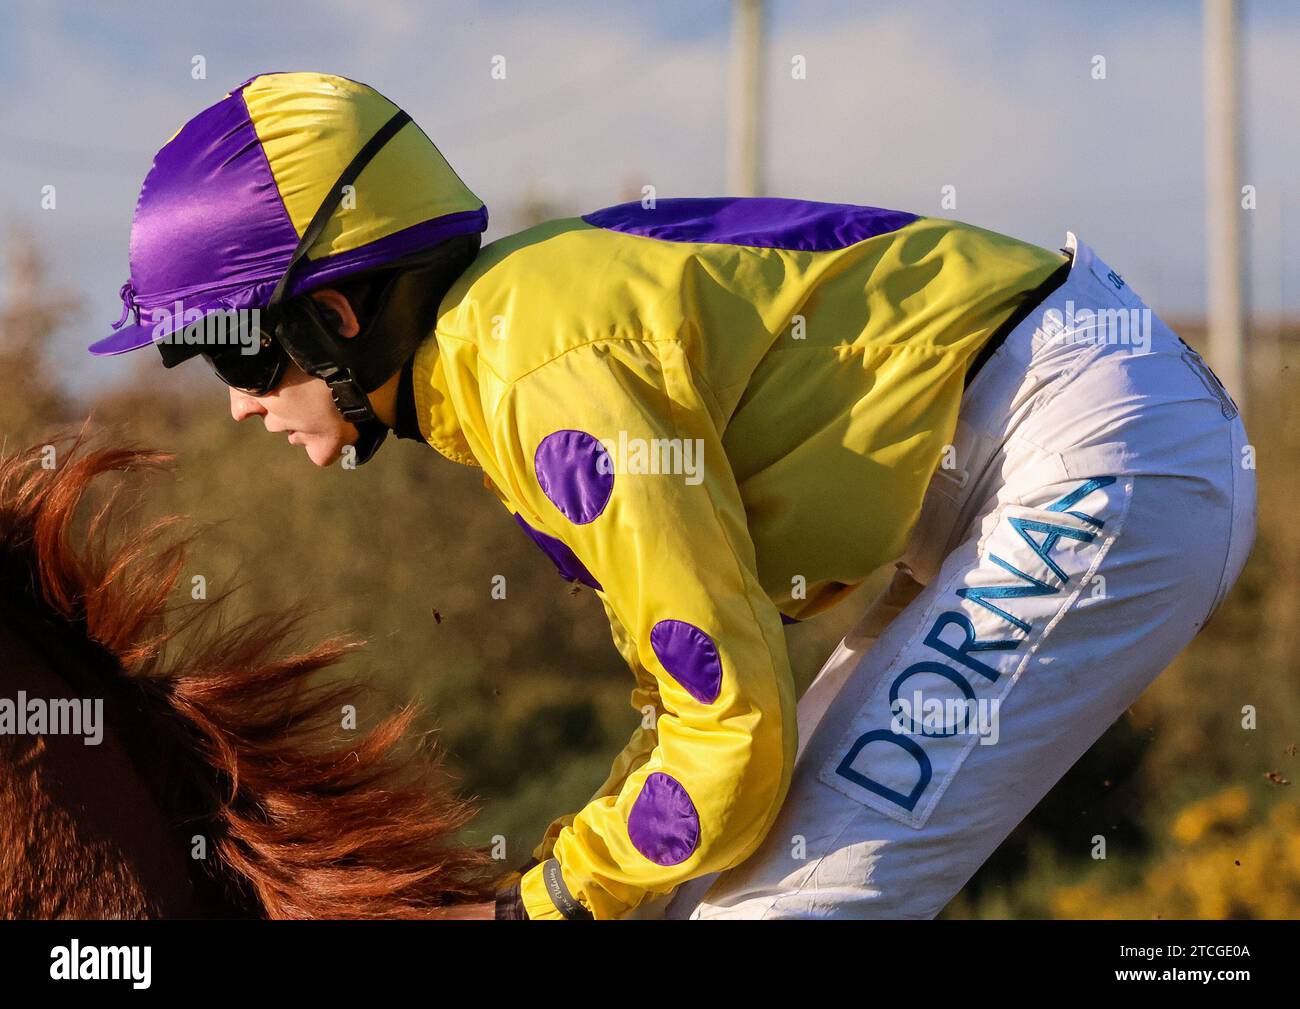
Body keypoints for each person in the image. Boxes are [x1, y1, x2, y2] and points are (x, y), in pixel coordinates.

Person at [92, 71, 1256, 920]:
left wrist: (530, 909)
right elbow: (695, 712)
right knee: (704, 894)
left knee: (782, 909)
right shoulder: (504, 344)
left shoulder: (539, 374)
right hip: (1057, 437)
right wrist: (561, 889)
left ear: (335, 316)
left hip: (1095, 450)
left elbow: (731, 736)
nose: (242, 406)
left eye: (239, 357)